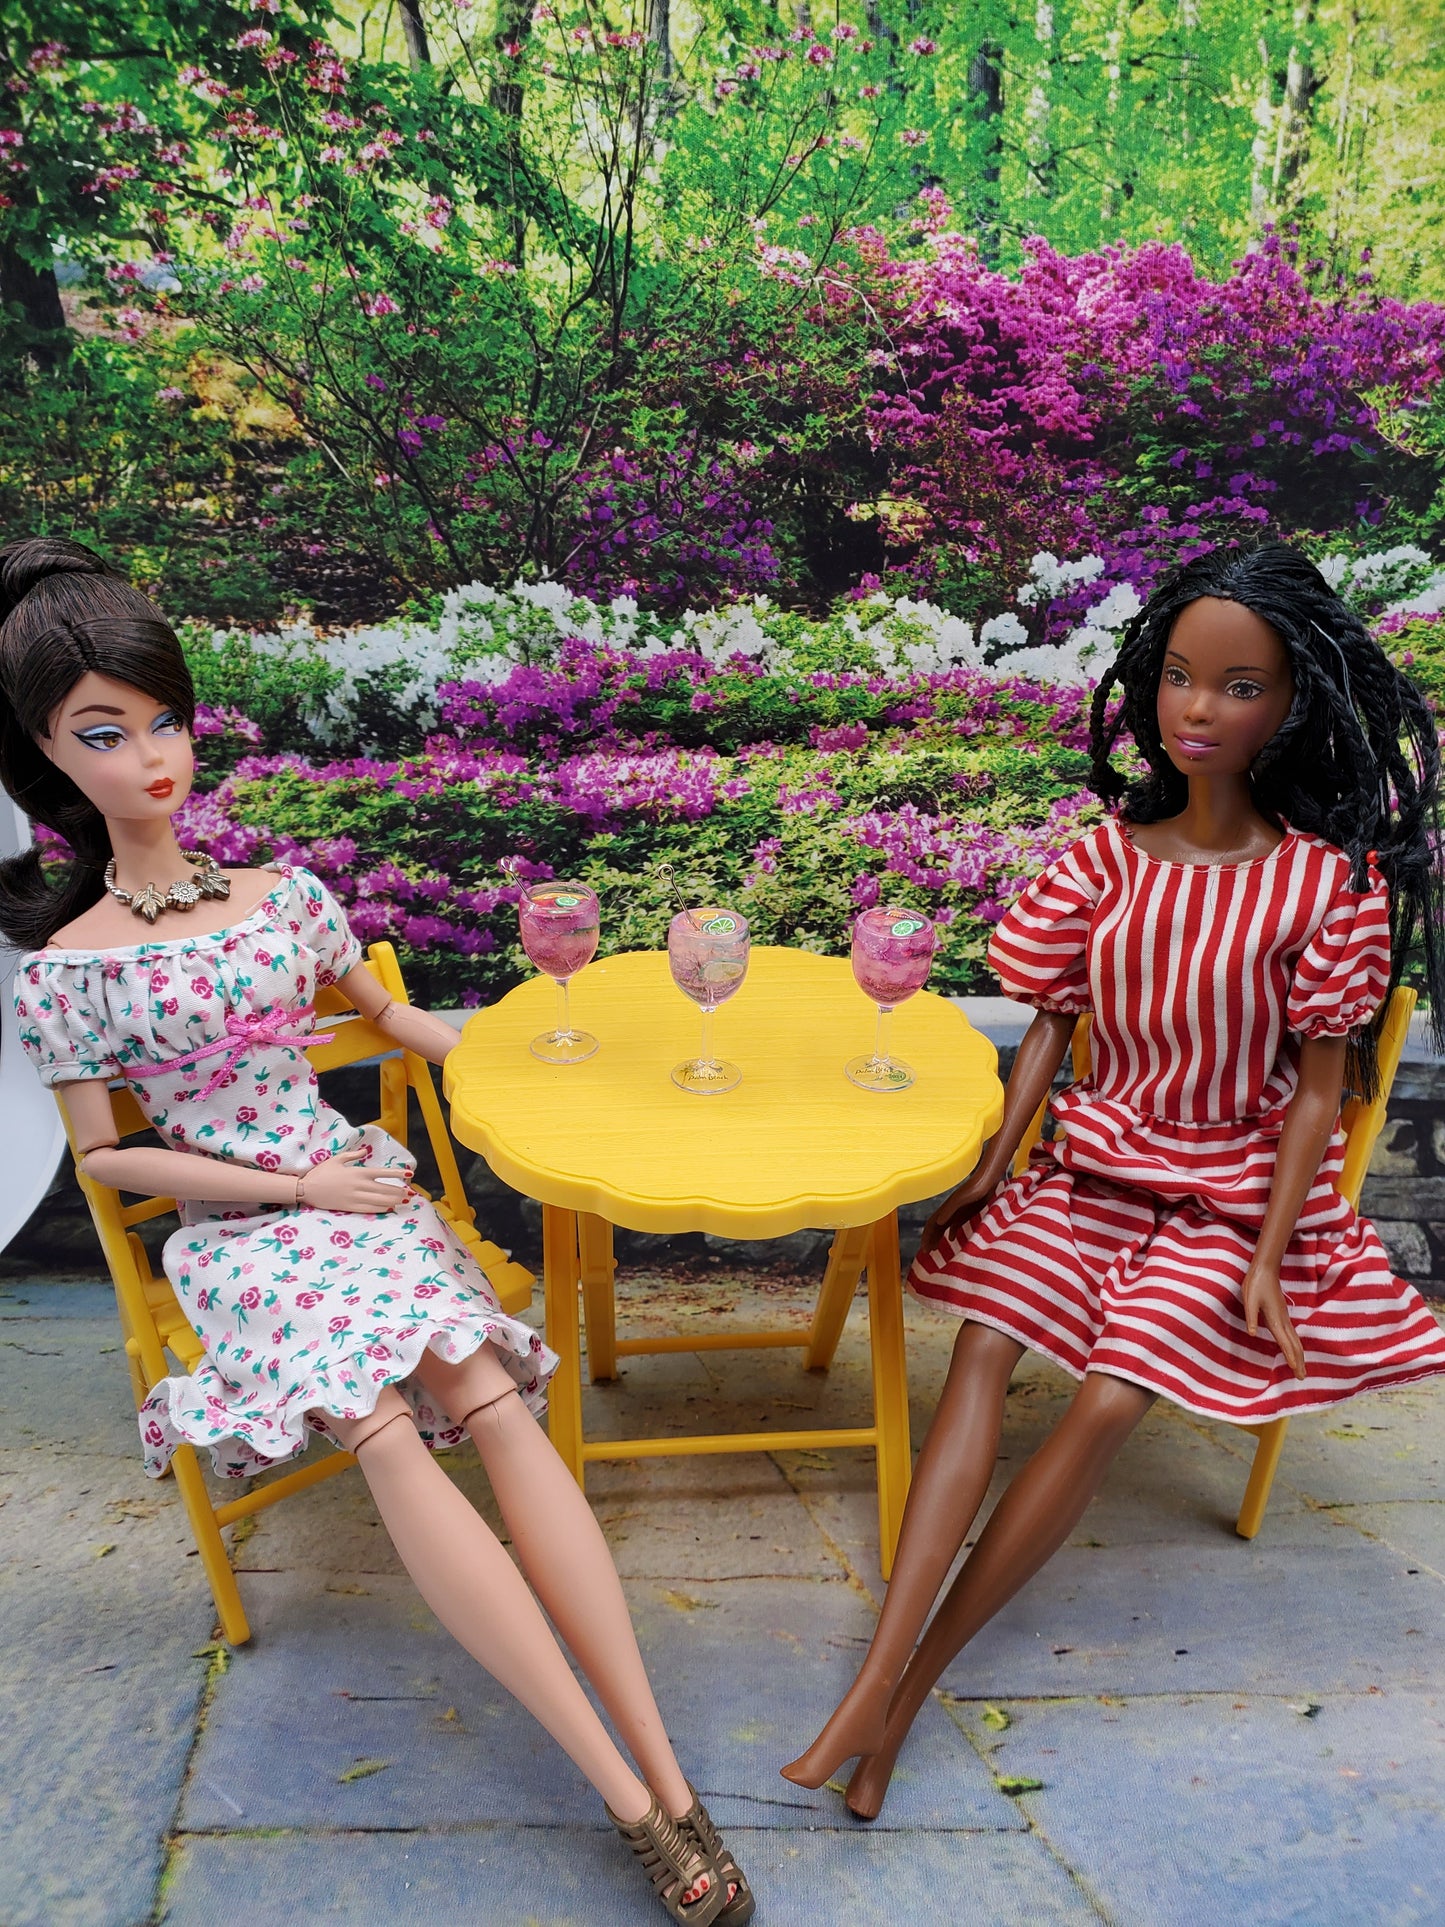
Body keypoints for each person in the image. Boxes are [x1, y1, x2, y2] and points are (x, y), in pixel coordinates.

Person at [2, 536, 751, 1925]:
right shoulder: (65, 970)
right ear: (46, 753)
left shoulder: (285, 894)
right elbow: (106, 1158)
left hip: (359, 1191)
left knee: (489, 1399)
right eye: (103, 732)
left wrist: (528, 1057)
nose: (151, 757)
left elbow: (394, 1017)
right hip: (246, 1234)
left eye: (164, 719)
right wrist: (295, 1194)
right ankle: (626, 1797)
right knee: (388, 1426)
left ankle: (665, 1761)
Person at [782, 541, 1445, 1819]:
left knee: (1102, 1398)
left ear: (1290, 703)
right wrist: (991, 1164)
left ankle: (897, 1704)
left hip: (1229, 1191)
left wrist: (1271, 1251)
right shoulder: (1104, 859)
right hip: (1090, 1164)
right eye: (1180, 677)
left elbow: (1320, 1091)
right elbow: (1050, 1025)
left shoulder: (1324, 885)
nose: (1197, 709)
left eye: (1238, 686)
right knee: (982, 1345)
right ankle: (873, 1679)